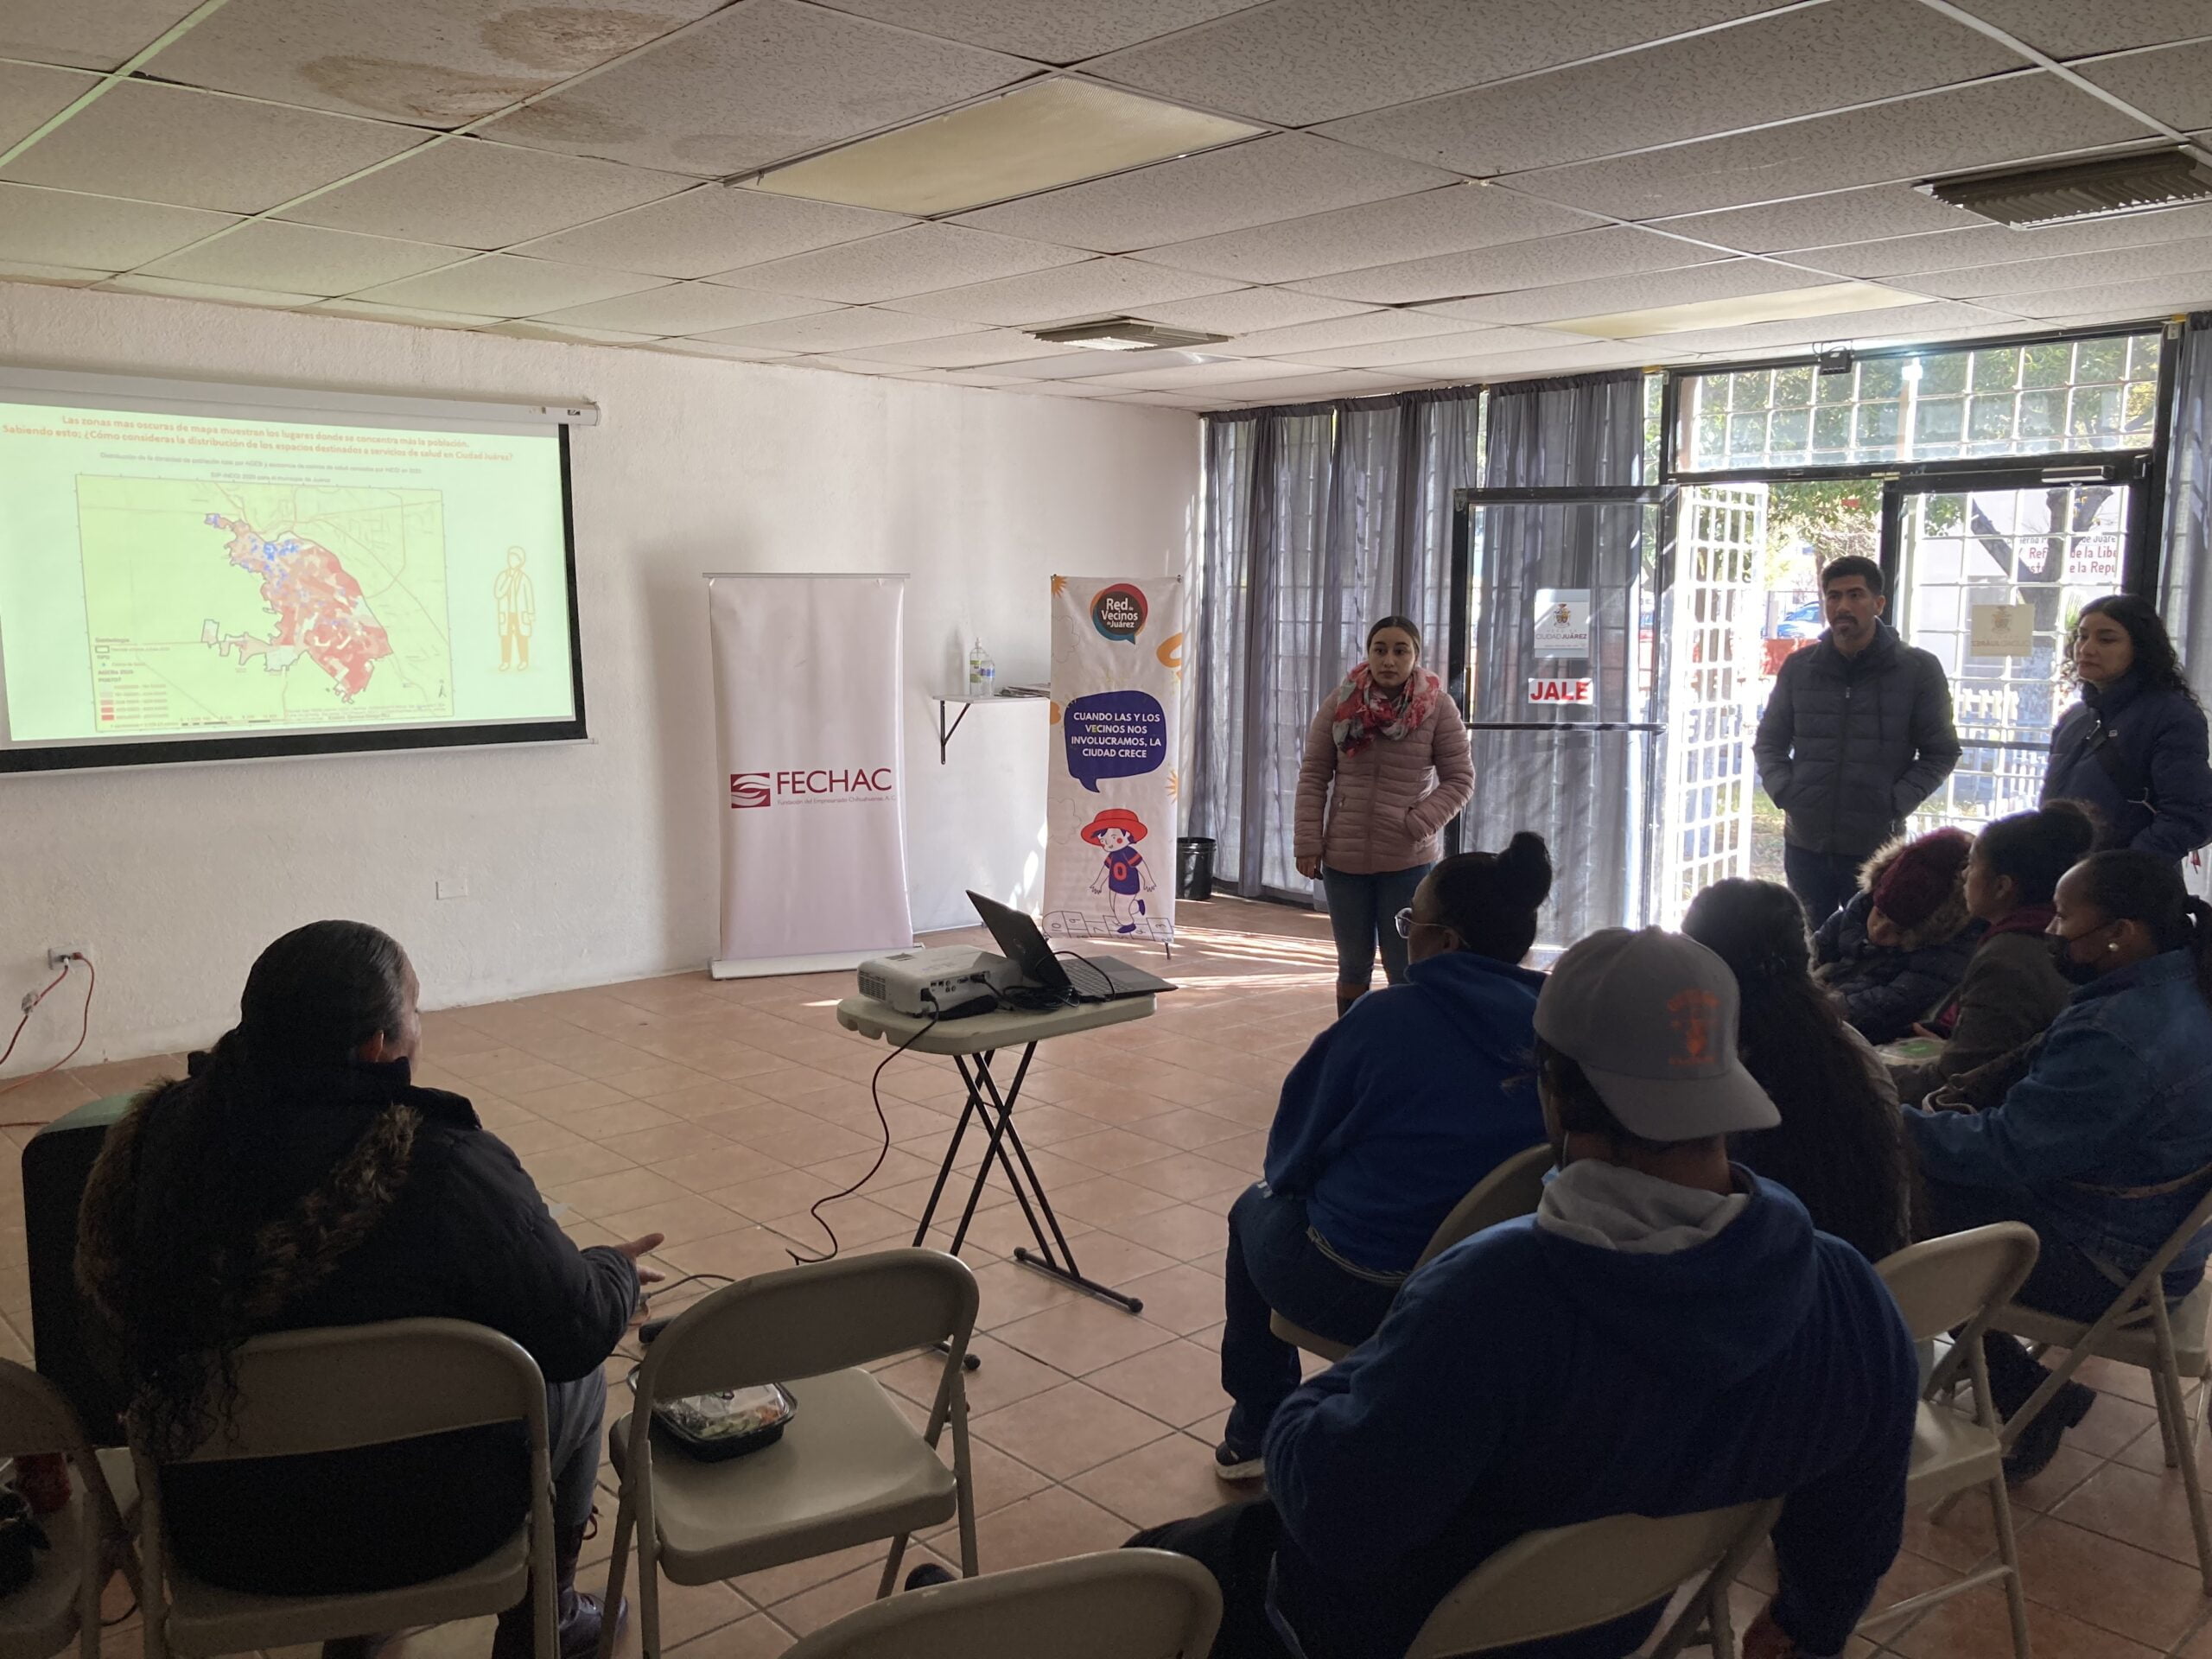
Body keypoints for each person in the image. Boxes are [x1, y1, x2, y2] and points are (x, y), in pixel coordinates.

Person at [1133, 929, 1918, 1659]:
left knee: (1148, 1581)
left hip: (1389, 1629)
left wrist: (1318, 1396)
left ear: (1555, 1090)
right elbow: (1859, 1511)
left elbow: (1336, 1520)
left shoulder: (1494, 1302)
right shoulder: (1847, 1293)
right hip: (1603, 1626)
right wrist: (1808, 1623)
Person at [76, 921, 658, 1659]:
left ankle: (356, 1632)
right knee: (571, 1375)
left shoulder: (150, 1146)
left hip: (222, 1537)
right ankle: (547, 1620)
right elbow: (574, 1324)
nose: (422, 1028)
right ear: (379, 1047)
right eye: (416, 1011)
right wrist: (611, 1267)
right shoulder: (446, 1164)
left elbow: (104, 1335)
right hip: (437, 1530)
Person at [1213, 835, 1553, 1481]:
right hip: (1496, 1287)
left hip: (1368, 1286)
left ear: (1446, 941)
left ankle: (1258, 1425)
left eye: (1410, 920)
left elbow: (1290, 1154)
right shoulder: (1558, 1024)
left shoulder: (1385, 1018)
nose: (1404, 935)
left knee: (1249, 1210)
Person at [1908, 849, 2212, 1480]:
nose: (2049, 930)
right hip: (2162, 1246)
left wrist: (1892, 1129)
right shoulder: (2182, 985)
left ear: (2120, 933)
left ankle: (1996, 1392)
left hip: (2110, 1267)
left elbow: (2004, 1151)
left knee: (1891, 1195)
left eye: (2063, 918)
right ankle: (2023, 1387)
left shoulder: (2119, 1035)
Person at [1681, 878, 1911, 1262]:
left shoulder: (1716, 1061)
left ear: (1696, 963)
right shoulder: (1849, 1047)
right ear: (1804, 953)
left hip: (1785, 1292)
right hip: (1875, 1282)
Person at [1754, 556, 1961, 925]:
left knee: (1871, 945)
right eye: (1833, 597)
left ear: (1878, 603)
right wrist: (1786, 793)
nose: (1843, 606)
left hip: (1875, 847)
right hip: (1805, 842)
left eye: (1855, 595)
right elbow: (1769, 741)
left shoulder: (1917, 670)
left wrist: (1895, 802)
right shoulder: (1801, 668)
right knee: (1807, 946)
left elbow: (1940, 751)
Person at [1296, 616, 1475, 1020]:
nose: (1389, 660)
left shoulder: (1438, 707)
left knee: (1405, 968)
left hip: (1407, 862)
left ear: (1416, 656)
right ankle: (1353, 1045)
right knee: (1353, 964)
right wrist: (1308, 843)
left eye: (1400, 650)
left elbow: (1460, 780)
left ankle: (1403, 1049)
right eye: (1380, 649)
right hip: (1344, 861)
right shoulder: (1341, 702)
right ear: (1369, 653)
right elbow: (1313, 775)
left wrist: (1417, 823)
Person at [1887, 802, 2095, 1104]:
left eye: (1971, 865)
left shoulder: (2007, 960)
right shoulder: (2054, 937)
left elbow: (1954, 1087)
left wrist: (1866, 1071)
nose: (1963, 876)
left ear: (2001, 886)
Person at [2042, 594, 2212, 861]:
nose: (2086, 649)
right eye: (2082, 636)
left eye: (2106, 639)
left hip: (2126, 888)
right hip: (2058, 880)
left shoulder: (2171, 715)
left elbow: (2189, 816)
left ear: (2141, 647)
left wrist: (2123, 870)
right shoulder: (2074, 718)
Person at [1812, 828, 1980, 1046]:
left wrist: (1817, 1008)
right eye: (1880, 914)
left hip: (1862, 1031)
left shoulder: (1948, 951)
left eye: (1899, 930)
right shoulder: (1862, 906)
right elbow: (1815, 948)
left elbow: (1893, 1003)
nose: (1878, 931)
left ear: (1929, 931)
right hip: (1827, 1003)